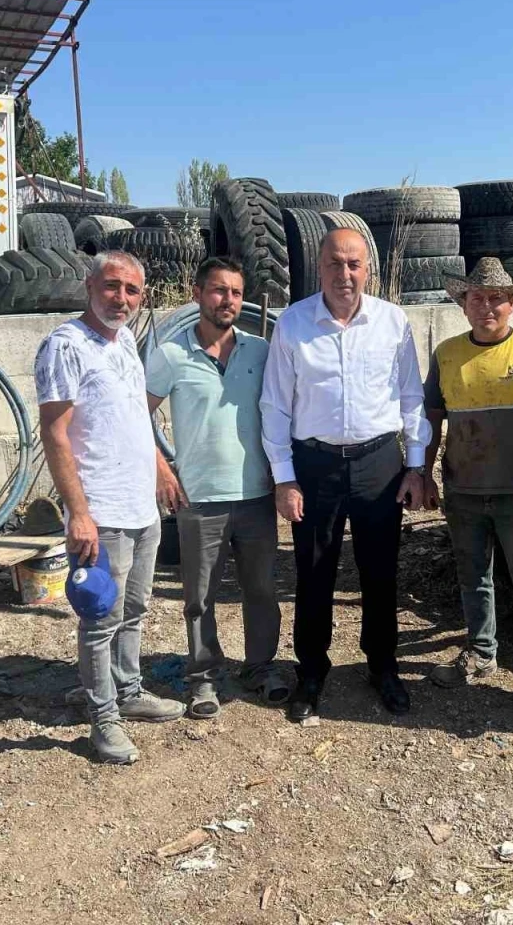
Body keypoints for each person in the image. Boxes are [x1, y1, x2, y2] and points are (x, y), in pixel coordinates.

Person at [260, 228, 429, 720]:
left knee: (380, 571)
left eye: (354, 263)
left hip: (379, 463)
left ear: (367, 269)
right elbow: (275, 406)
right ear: (320, 267)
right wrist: (285, 478)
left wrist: (416, 466)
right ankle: (312, 671)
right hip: (315, 465)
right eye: (335, 263)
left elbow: (411, 397)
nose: (344, 274)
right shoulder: (293, 324)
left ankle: (382, 666)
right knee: (314, 572)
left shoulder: (392, 322)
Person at [34, 251, 186, 765]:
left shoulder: (124, 345)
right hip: (101, 511)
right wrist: (79, 513)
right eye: (112, 286)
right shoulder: (66, 345)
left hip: (141, 507)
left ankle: (129, 690)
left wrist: (161, 468)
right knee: (101, 617)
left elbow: (137, 416)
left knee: (135, 608)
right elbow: (55, 433)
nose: (121, 298)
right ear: (90, 286)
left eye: (132, 290)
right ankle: (103, 719)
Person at [421, 258, 513, 720]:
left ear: (512, 304)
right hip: (463, 492)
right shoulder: (446, 355)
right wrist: (423, 474)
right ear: (463, 305)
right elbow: (431, 421)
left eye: (496, 298)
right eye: (477, 298)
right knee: (473, 578)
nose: (486, 306)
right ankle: (480, 652)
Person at [145, 257, 288, 719]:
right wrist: (162, 469)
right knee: (199, 596)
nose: (228, 300)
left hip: (256, 494)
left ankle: (260, 667)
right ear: (197, 294)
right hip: (200, 497)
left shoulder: (260, 351)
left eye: (236, 293)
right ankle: (204, 678)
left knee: (261, 589)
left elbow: (283, 410)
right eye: (219, 290)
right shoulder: (170, 355)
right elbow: (136, 413)